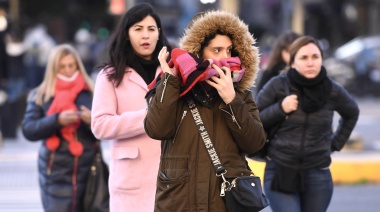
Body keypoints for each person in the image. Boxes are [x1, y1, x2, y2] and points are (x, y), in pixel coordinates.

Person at [144, 10, 266, 211]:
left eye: (229, 51)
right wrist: (171, 81)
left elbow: (255, 143)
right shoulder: (174, 88)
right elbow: (156, 129)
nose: (225, 58)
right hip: (181, 202)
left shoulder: (241, 95)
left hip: (224, 203)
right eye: (216, 50)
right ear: (198, 52)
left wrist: (232, 100)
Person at [256, 36, 360, 212]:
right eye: (304, 58)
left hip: (318, 172)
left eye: (315, 57)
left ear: (321, 59)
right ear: (293, 61)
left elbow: (352, 112)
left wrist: (335, 144)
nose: (310, 63)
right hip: (281, 169)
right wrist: (280, 108)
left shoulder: (332, 89)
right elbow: (254, 119)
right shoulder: (278, 85)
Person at [90, 3, 172, 212]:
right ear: (126, 34)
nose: (145, 35)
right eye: (138, 29)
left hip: (172, 177)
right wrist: (148, 117)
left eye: (151, 29)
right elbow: (100, 125)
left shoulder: (171, 71)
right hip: (131, 180)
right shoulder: (109, 76)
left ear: (159, 34)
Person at [21, 44, 99, 212]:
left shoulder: (92, 91)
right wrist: (56, 120)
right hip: (55, 172)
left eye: (72, 65)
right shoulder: (41, 93)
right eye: (62, 66)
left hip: (88, 170)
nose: (68, 70)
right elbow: (28, 130)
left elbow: (105, 132)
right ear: (53, 68)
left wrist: (91, 120)